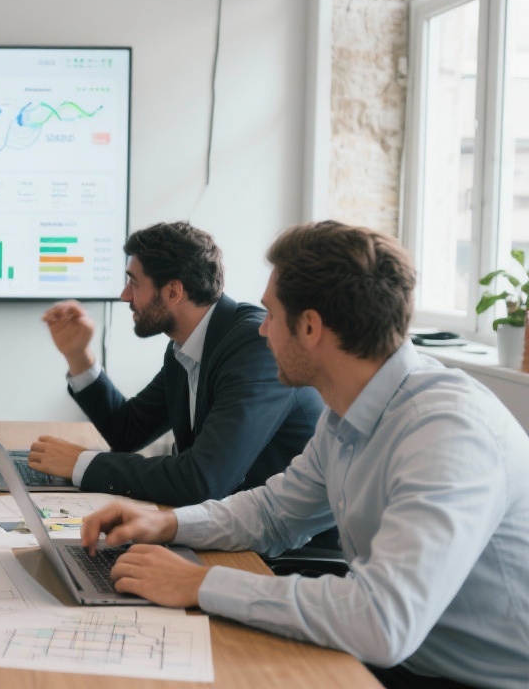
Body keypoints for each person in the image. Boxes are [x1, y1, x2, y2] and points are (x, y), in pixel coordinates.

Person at [81, 221, 529, 689]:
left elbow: (383, 620)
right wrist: (168, 524)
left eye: (271, 315)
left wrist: (199, 584)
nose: (261, 331)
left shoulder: (447, 432)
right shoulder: (347, 413)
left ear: (310, 327)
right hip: (403, 660)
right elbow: (274, 512)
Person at [33, 221, 325, 508]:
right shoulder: (187, 347)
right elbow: (128, 431)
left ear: (173, 292)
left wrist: (82, 463)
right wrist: (78, 356)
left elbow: (203, 480)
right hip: (227, 528)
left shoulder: (256, 348)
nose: (125, 296)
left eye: (134, 283)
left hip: (287, 550)